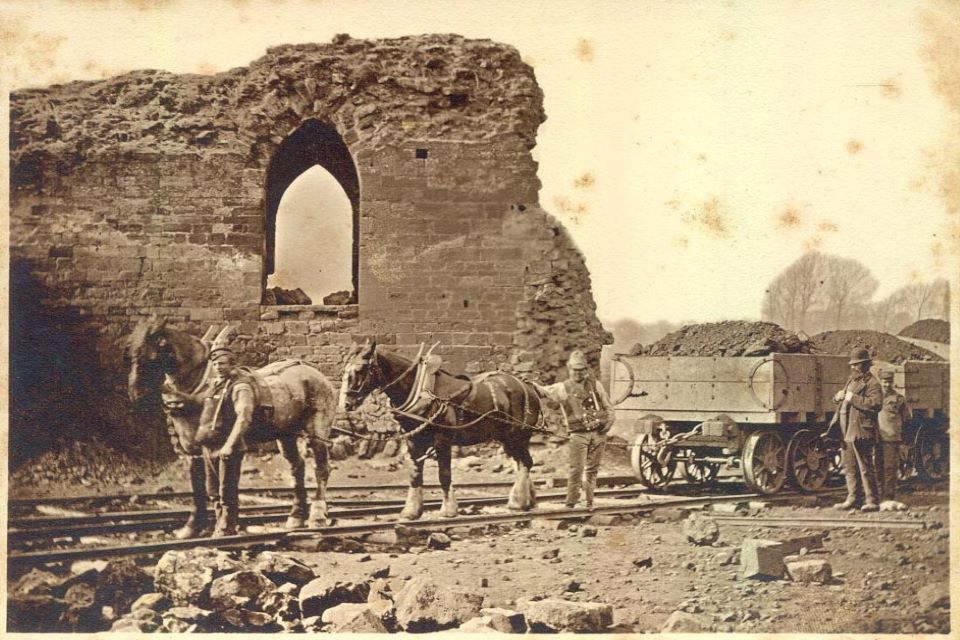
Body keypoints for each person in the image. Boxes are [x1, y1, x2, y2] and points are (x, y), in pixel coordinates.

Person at [534, 350, 615, 509]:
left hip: (599, 433)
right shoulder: (562, 388)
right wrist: (530, 384)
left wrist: (608, 424)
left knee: (592, 470)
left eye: (581, 370)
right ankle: (571, 503)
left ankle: (589, 502)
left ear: (586, 370)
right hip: (578, 434)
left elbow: (608, 406)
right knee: (576, 469)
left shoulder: (595, 385)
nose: (578, 373)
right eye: (575, 370)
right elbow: (543, 392)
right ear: (569, 369)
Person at [195, 346, 256, 536]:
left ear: (233, 365)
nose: (218, 367)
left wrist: (230, 445)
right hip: (209, 445)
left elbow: (244, 416)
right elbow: (198, 403)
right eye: (215, 364)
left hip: (227, 446)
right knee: (212, 489)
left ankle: (228, 527)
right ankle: (220, 524)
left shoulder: (241, 387)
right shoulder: (215, 385)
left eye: (222, 363)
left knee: (226, 489)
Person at [832, 348, 882, 512]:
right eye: (852, 364)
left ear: (866, 364)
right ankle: (853, 498)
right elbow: (844, 398)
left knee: (865, 466)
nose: (853, 367)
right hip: (846, 429)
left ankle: (872, 500)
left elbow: (875, 404)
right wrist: (838, 396)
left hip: (861, 430)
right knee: (850, 467)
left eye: (857, 364)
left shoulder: (872, 383)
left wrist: (851, 398)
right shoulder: (852, 380)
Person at [876, 369, 910, 508]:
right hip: (876, 439)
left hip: (891, 439)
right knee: (877, 468)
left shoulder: (899, 399)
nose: (887, 385)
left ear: (893, 382)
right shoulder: (875, 398)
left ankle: (888, 497)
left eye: (889, 382)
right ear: (880, 382)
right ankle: (878, 497)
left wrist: (904, 442)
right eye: (884, 382)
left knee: (890, 469)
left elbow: (906, 421)